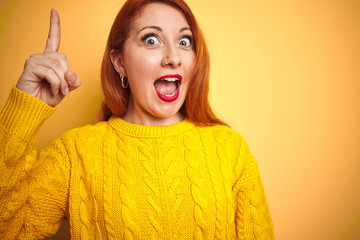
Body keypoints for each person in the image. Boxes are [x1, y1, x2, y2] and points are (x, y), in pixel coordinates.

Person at [0, 0, 275, 239]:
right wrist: (24, 107)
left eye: (184, 41)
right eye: (151, 40)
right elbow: (9, 229)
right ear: (119, 62)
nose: (173, 57)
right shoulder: (76, 153)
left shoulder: (230, 150)